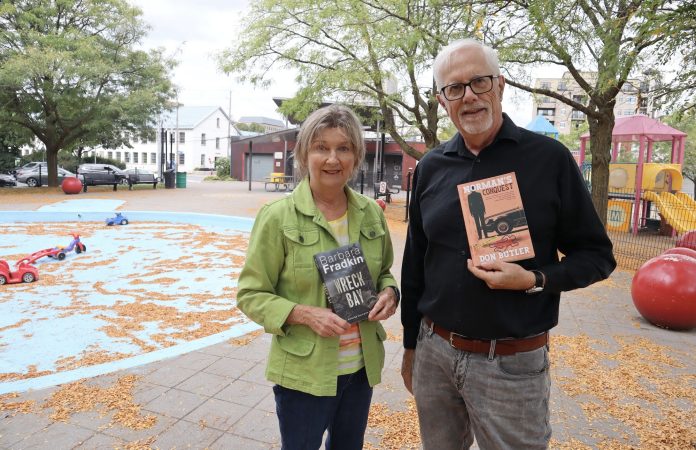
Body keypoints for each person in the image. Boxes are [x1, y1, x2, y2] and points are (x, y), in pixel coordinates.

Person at [400, 39, 616, 449]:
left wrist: (533, 279)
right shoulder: (430, 167)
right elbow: (415, 264)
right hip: (435, 354)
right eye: (454, 88)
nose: (469, 96)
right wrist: (411, 346)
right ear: (442, 100)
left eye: (478, 82)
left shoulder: (549, 160)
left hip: (511, 364)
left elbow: (597, 257)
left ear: (500, 85)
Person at [237, 104, 400, 450]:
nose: (332, 158)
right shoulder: (277, 217)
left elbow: (384, 273)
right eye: (321, 147)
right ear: (304, 154)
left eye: (343, 148)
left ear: (356, 156)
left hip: (359, 369)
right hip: (304, 375)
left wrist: (390, 294)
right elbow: (250, 294)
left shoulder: (371, 213)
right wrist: (304, 314)